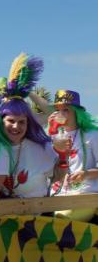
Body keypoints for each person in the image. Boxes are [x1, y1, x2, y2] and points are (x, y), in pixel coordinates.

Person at [0, 53, 65, 198]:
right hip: (0, 218)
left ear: (29, 123)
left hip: (36, 218)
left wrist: (63, 156)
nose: (16, 126)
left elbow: (57, 177)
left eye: (22, 122)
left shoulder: (40, 148)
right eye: (11, 121)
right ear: (1, 121)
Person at [49, 90, 98, 221]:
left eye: (66, 110)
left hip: (84, 195)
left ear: (77, 112)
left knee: (62, 218)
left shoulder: (92, 135)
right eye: (58, 110)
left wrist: (86, 174)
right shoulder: (53, 137)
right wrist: (51, 140)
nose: (61, 114)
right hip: (57, 195)